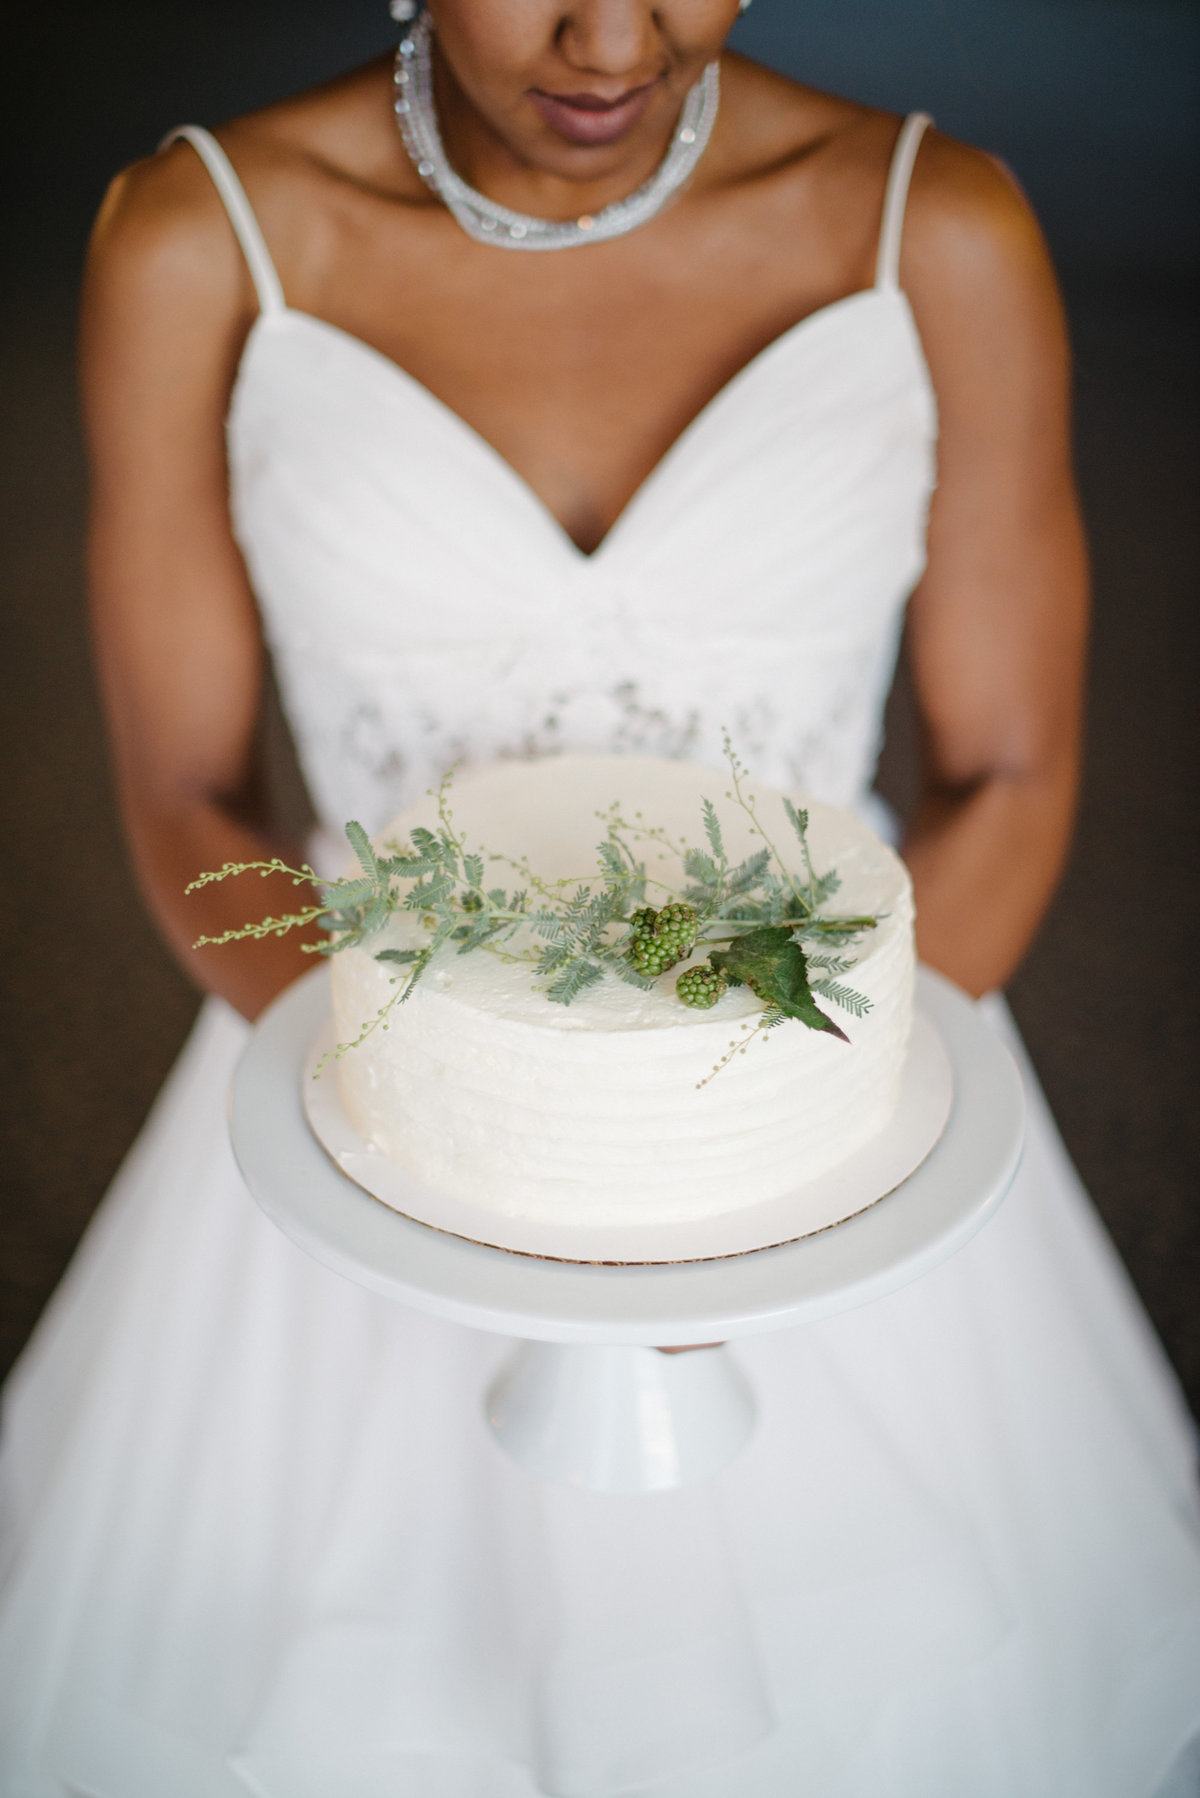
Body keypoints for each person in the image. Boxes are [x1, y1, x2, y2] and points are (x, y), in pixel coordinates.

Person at [2, 3, 1198, 1793]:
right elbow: (185, 789)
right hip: (364, 1051)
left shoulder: (936, 226)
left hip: (834, 1067)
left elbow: (1009, 770)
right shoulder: (196, 239)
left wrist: (761, 1155)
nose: (613, 38)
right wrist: (456, 1123)